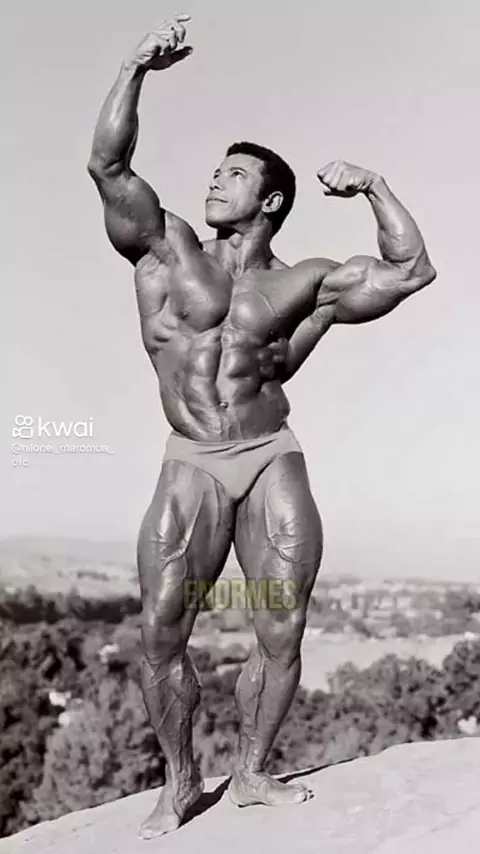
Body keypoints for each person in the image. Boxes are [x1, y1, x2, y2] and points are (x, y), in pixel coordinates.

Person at [87, 14, 436, 840]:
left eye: (234, 174)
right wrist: (136, 66)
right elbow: (108, 165)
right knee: (163, 627)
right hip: (194, 459)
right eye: (215, 171)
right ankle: (180, 782)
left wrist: (375, 184)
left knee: (281, 625)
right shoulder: (167, 248)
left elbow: (412, 269)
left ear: (271, 199)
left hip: (272, 455)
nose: (215, 182)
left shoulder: (306, 283)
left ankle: (249, 772)